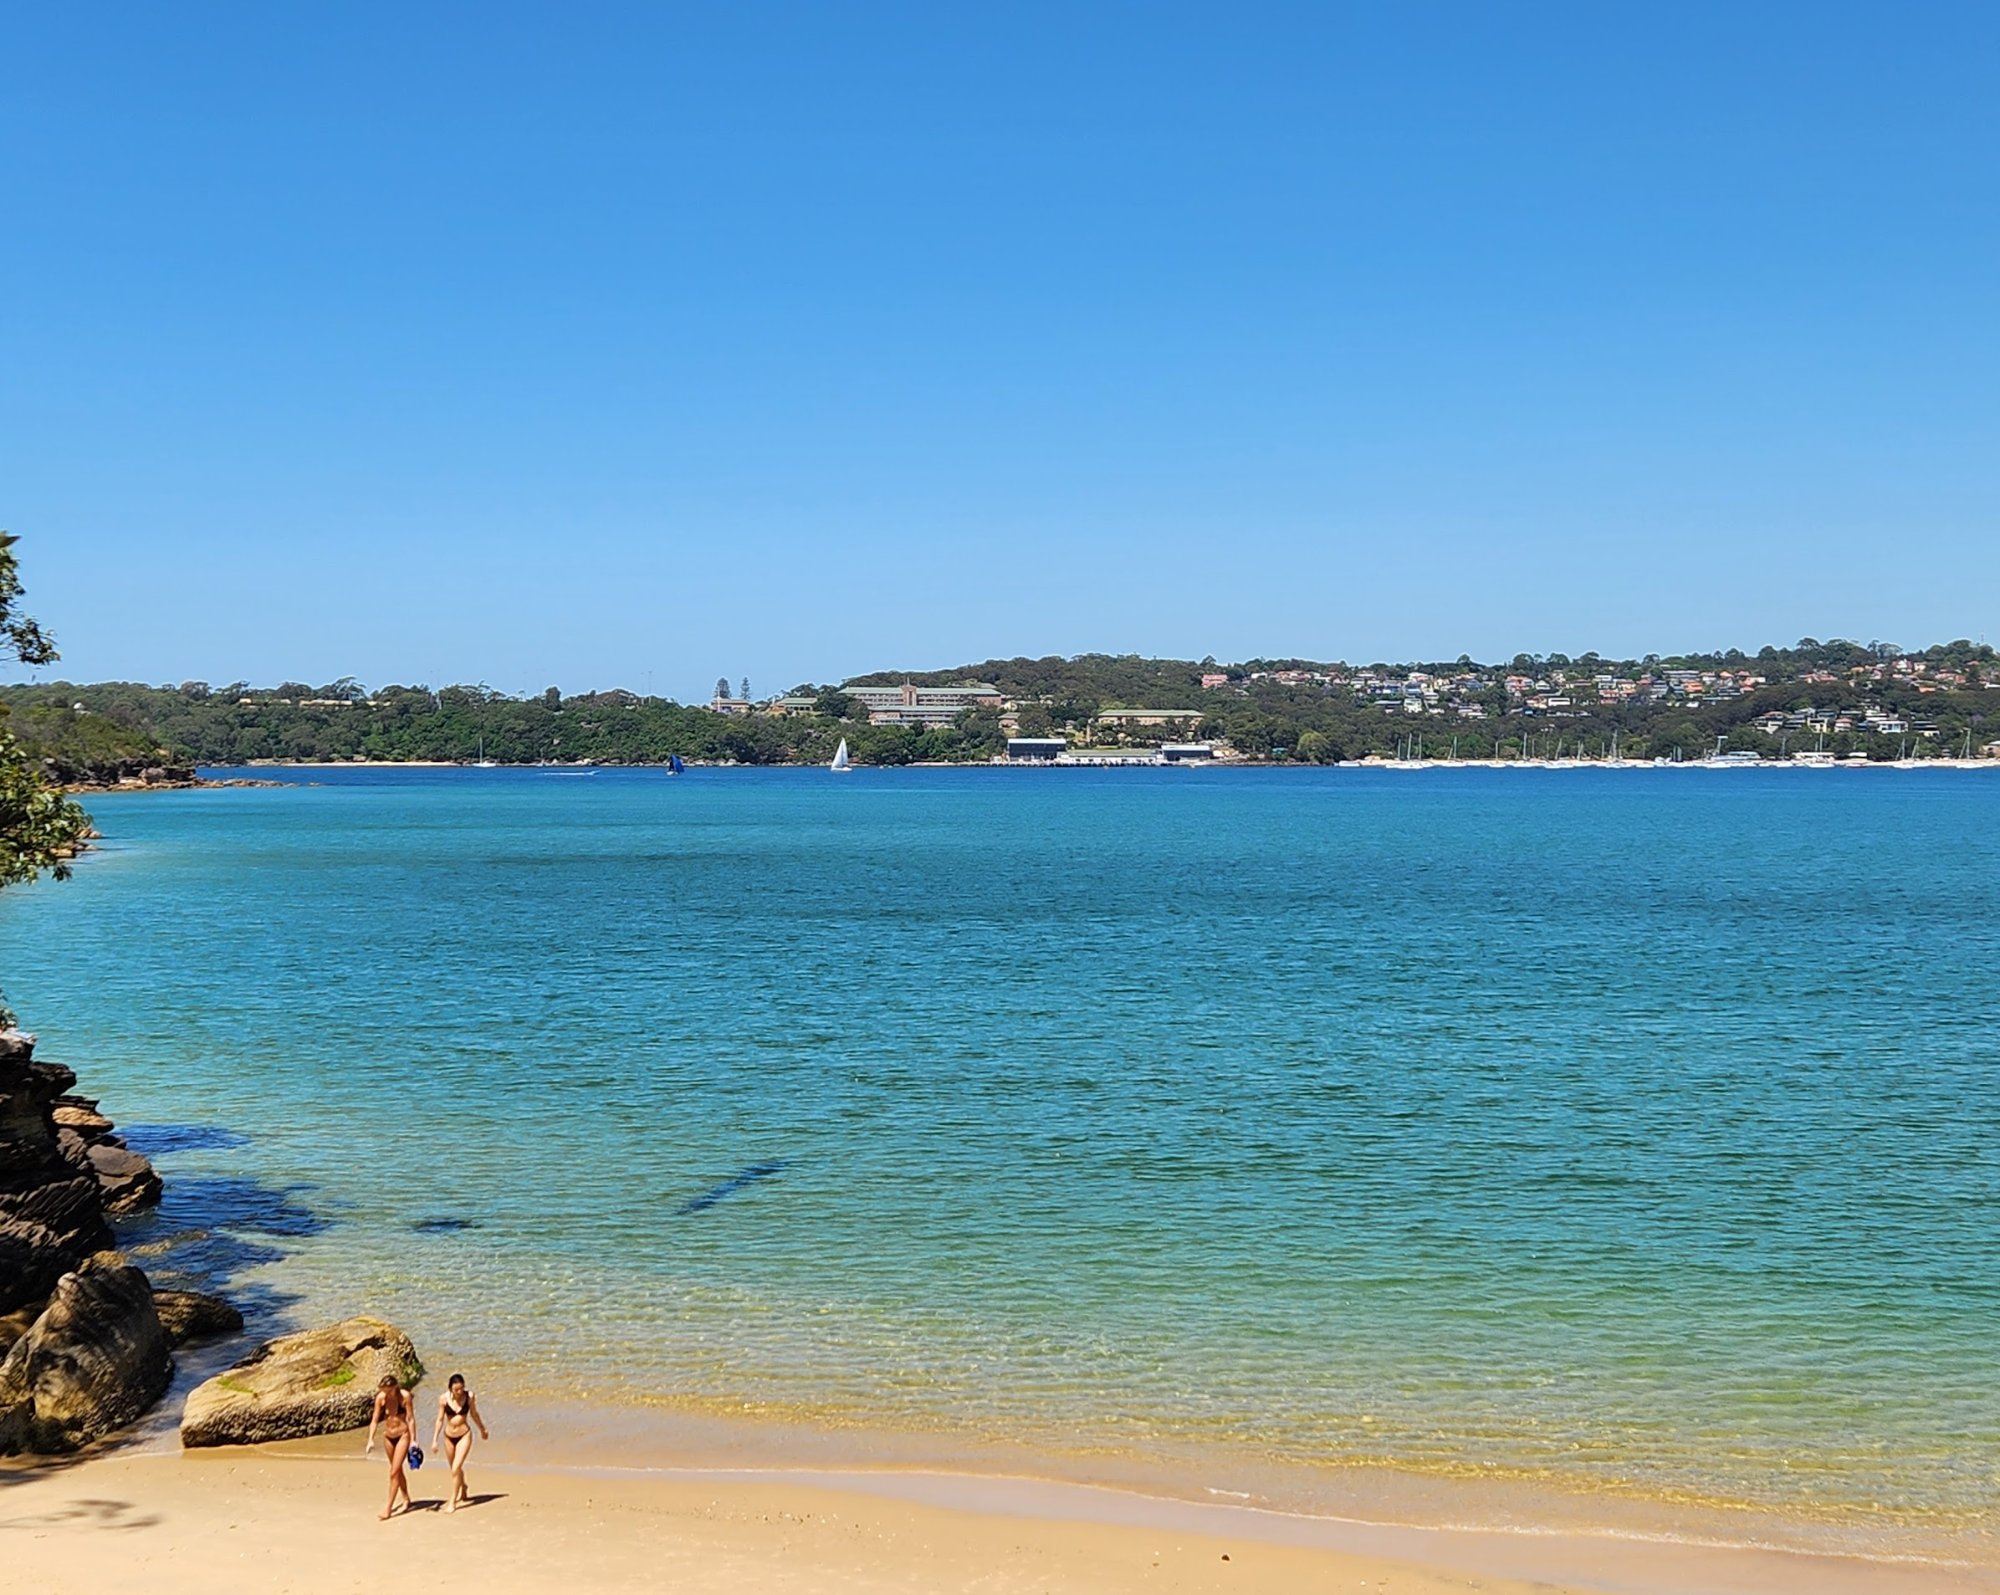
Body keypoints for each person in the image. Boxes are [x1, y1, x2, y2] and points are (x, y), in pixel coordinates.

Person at [430, 1373, 491, 1513]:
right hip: (448, 1437)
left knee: (456, 1468)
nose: (459, 1392)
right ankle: (463, 1486)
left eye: (461, 1388)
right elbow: (440, 1419)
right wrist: (434, 1440)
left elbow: (474, 1414)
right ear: (450, 1388)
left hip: (464, 1435)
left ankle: (453, 1501)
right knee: (454, 1468)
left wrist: (482, 1429)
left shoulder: (469, 1396)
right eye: (456, 1389)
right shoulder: (443, 1399)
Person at [364, 1374, 420, 1520]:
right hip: (388, 1437)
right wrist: (370, 1440)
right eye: (383, 1390)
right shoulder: (381, 1398)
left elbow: (410, 1419)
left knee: (393, 1472)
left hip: (403, 1435)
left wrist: (413, 1440)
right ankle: (406, 1498)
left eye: (388, 1390)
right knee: (397, 1471)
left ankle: (388, 1508)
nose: (386, 1393)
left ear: (395, 1387)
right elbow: (374, 1420)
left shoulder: (405, 1397)